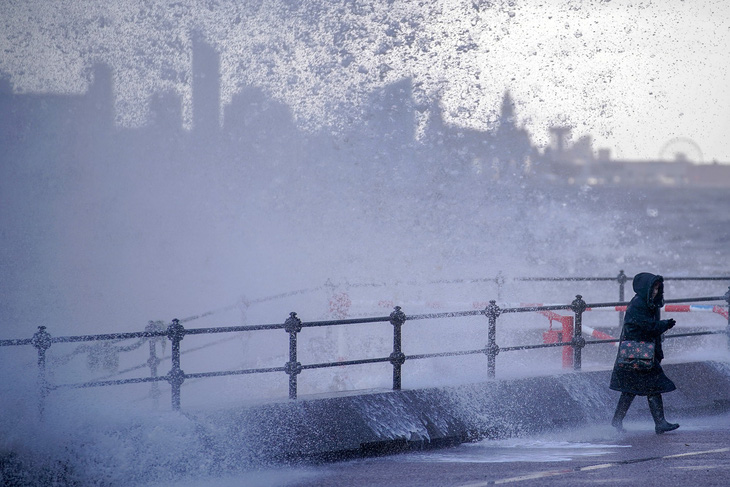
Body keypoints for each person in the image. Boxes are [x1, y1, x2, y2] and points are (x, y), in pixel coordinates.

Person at [609, 272, 680, 434]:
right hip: (638, 354)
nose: (655, 291)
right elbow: (646, 327)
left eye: (657, 288)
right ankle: (659, 423)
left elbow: (649, 329)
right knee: (652, 387)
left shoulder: (649, 303)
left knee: (630, 389)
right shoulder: (639, 304)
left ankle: (618, 420)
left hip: (639, 354)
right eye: (653, 288)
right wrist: (665, 325)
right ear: (645, 288)